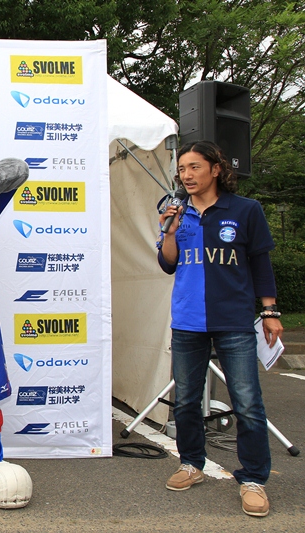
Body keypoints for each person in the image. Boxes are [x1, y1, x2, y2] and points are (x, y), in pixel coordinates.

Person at [158, 140, 283, 518]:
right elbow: (167, 264)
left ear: (216, 169)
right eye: (182, 169)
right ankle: (191, 463)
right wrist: (169, 232)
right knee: (186, 400)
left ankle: (254, 479)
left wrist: (270, 311)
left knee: (247, 402)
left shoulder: (246, 210)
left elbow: (260, 263)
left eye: (194, 167)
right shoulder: (176, 212)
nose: (186, 175)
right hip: (187, 321)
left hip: (234, 321)